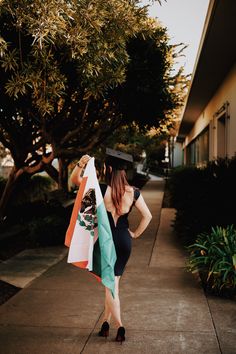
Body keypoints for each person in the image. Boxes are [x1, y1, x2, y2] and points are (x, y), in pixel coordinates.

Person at [70, 150, 152, 343]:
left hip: (107, 241)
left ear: (108, 169)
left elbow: (76, 180)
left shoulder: (101, 189)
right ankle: (105, 323)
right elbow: (147, 216)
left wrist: (81, 164)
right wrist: (135, 234)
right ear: (123, 172)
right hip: (124, 241)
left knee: (110, 286)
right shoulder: (134, 192)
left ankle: (120, 327)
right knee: (112, 283)